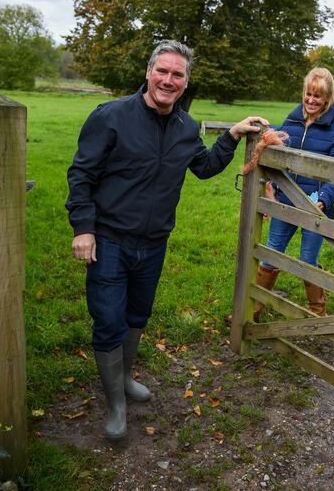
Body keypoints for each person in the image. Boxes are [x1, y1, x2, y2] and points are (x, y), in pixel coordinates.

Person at [66, 39, 268, 440]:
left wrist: (231, 134)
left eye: (178, 74)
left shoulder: (185, 127)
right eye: (163, 71)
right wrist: (83, 227)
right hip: (107, 241)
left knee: (137, 316)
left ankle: (124, 380)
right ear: (148, 73)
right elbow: (81, 174)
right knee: (108, 320)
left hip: (154, 244)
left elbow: (206, 167)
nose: (168, 80)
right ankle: (116, 404)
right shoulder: (111, 117)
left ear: (186, 82)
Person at [253, 67, 334, 319]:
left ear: (327, 99)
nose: (311, 100)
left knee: (308, 259)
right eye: (308, 94)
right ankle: (253, 308)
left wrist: (325, 199)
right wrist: (270, 188)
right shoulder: (291, 123)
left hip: (315, 208)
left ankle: (317, 314)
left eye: (317, 96)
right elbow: (274, 156)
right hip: (285, 203)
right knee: (271, 253)